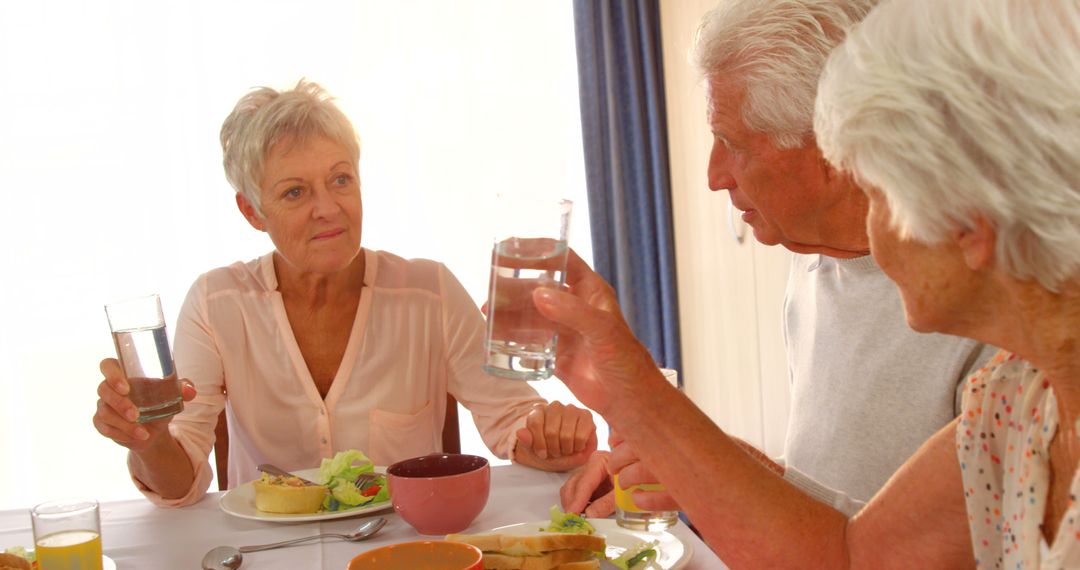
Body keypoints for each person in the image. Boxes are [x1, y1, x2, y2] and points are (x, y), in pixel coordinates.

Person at [542, 0, 1080, 565]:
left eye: (877, 189)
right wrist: (631, 390)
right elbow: (849, 557)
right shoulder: (1014, 400)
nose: (867, 224)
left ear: (975, 220)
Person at [91, 80, 597, 507]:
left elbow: (512, 421)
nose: (328, 208)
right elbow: (179, 485)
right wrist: (149, 439)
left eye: (340, 180)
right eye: (295, 192)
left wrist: (551, 431)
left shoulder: (430, 292)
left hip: (407, 550)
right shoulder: (215, 304)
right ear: (252, 212)